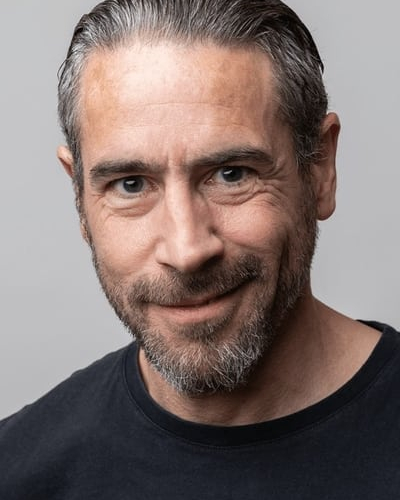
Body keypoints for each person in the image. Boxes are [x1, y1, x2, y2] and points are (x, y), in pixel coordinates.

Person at [1, 0, 399, 497]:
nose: (187, 250)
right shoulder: (16, 474)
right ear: (79, 197)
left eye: (231, 175)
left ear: (320, 168)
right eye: (130, 184)